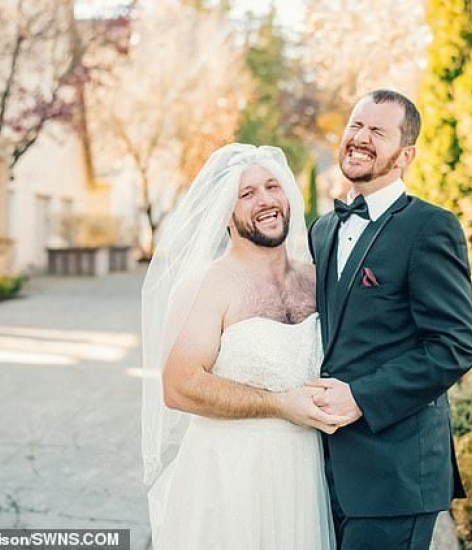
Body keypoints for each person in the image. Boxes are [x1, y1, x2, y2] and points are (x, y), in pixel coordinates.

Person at [141, 144, 340, 549]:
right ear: (225, 215)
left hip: (302, 474)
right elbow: (178, 386)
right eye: (247, 193)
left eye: (273, 186)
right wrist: (280, 404)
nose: (265, 200)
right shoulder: (205, 286)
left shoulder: (317, 280)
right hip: (228, 480)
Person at [307, 89, 472, 550]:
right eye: (355, 126)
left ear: (405, 155)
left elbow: (456, 346)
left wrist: (361, 397)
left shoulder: (430, 228)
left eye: (377, 132)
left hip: (395, 475)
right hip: (323, 469)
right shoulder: (323, 229)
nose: (360, 138)